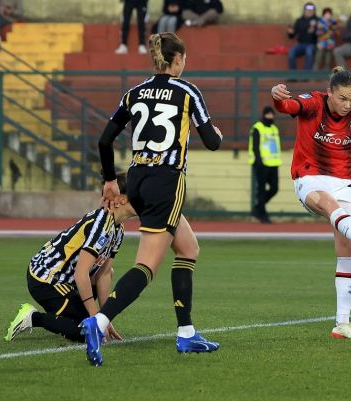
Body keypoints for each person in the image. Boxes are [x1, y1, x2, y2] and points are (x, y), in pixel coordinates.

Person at [82, 32, 223, 366]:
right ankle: (98, 321)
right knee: (146, 265)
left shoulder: (135, 93)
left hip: (137, 178)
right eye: (183, 59)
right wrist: (217, 134)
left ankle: (186, 333)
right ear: (177, 59)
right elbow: (212, 142)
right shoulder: (187, 91)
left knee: (188, 248)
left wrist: (108, 180)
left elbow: (105, 141)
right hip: (166, 180)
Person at [271, 66, 351, 340]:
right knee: (329, 204)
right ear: (329, 92)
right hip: (310, 175)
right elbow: (287, 105)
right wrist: (277, 96)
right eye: (342, 98)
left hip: (348, 179)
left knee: (346, 251)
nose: (347, 104)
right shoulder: (313, 102)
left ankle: (342, 324)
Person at [5, 173, 133, 344]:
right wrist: (95, 317)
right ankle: (33, 317)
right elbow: (81, 274)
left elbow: (104, 273)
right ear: (122, 200)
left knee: (95, 325)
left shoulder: (119, 229)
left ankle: (69, 314)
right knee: (87, 333)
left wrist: (105, 318)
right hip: (46, 280)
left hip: (68, 281)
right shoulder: (101, 225)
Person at [248, 106, 282, 224]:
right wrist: (259, 162)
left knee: (274, 188)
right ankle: (262, 214)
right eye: (268, 115)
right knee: (261, 191)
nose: (270, 117)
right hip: (261, 164)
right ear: (264, 115)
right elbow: (255, 146)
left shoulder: (274, 128)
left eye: (272, 115)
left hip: (274, 164)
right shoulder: (257, 127)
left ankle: (257, 208)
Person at [287, 2, 317, 71]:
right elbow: (292, 35)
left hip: (312, 44)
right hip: (301, 44)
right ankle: (293, 76)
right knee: (291, 52)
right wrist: (290, 32)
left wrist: (314, 31)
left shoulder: (317, 20)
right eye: (307, 10)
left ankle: (306, 75)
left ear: (314, 11)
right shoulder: (299, 21)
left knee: (309, 52)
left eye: (311, 10)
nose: (309, 12)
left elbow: (321, 33)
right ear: (304, 10)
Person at [313, 7, 337, 71]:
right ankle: (314, 74)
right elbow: (317, 33)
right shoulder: (320, 22)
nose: (328, 16)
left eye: (329, 14)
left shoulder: (333, 22)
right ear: (323, 15)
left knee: (328, 60)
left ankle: (326, 74)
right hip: (321, 42)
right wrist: (323, 31)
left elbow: (336, 32)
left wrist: (333, 30)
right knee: (318, 58)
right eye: (326, 14)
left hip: (330, 42)